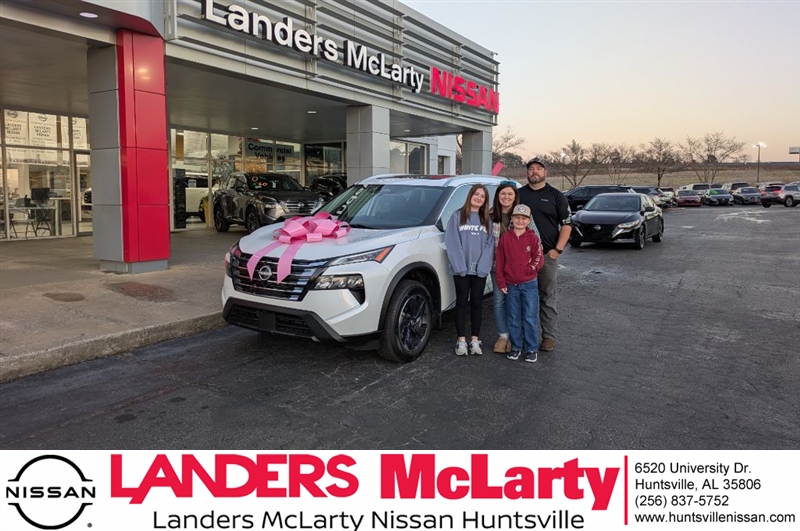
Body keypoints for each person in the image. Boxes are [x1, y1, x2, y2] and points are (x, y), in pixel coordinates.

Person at [517, 157, 572, 352]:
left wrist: (557, 250)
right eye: (531, 168)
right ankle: (524, 336)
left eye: (538, 168)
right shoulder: (519, 195)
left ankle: (548, 336)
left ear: (545, 172)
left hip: (547, 256)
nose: (534, 171)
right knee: (523, 298)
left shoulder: (556, 196)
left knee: (547, 297)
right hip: (521, 257)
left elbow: (567, 224)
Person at [489, 181, 541, 354]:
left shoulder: (522, 214)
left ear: (515, 196)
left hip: (521, 272)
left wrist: (531, 268)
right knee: (499, 301)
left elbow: (536, 241)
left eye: (510, 194)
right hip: (497, 266)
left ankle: (519, 340)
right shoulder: (490, 215)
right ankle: (503, 337)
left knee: (521, 307)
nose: (506, 197)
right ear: (498, 195)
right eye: (503, 193)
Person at [445, 184, 494, 356]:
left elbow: (490, 245)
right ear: (470, 195)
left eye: (483, 196)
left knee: (477, 303)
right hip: (461, 269)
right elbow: (452, 241)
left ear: (485, 201)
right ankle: (461, 340)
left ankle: (475, 340)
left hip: (479, 270)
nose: (479, 198)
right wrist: (460, 267)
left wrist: (483, 267)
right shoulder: (457, 216)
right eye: (476, 194)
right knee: (461, 302)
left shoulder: (486, 219)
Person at [495, 204, 544, 362]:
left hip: (529, 284)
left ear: (528, 221)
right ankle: (516, 346)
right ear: (512, 219)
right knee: (513, 316)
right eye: (517, 218)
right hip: (511, 284)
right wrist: (501, 281)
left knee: (529, 316)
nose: (520, 221)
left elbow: (539, 257)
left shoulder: (533, 238)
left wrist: (529, 269)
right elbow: (500, 261)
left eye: (524, 218)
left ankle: (531, 348)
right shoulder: (505, 238)